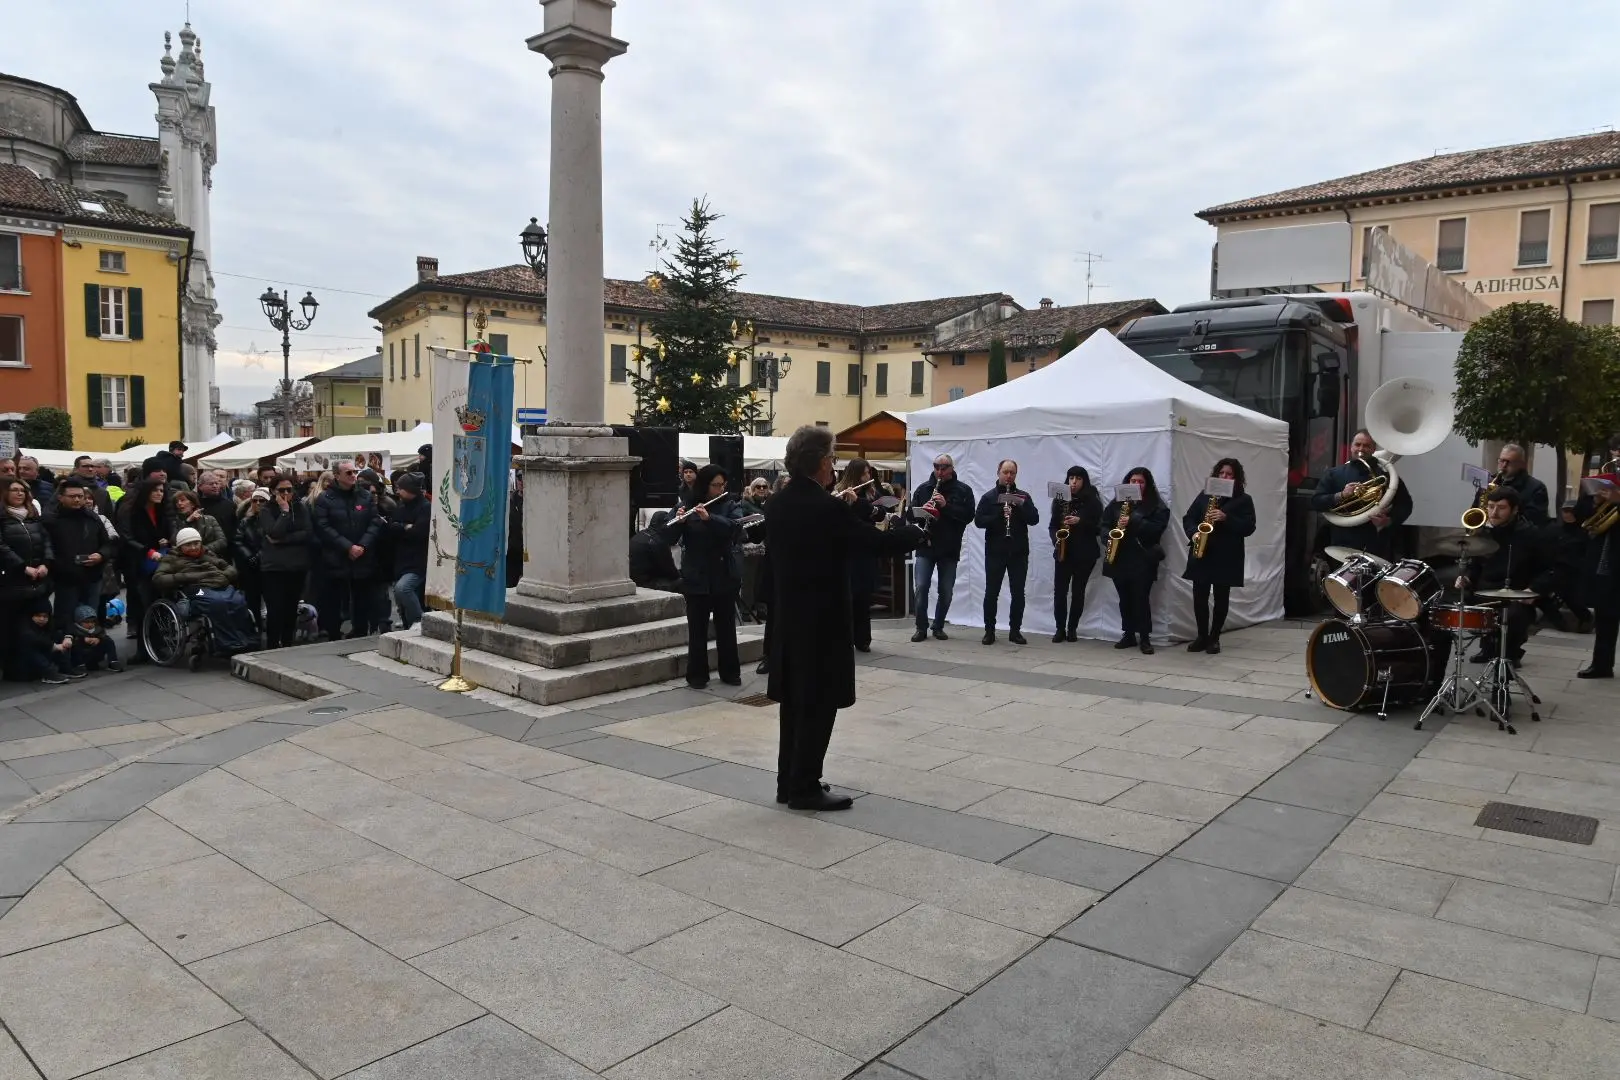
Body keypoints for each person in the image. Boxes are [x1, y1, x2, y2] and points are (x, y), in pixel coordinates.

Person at [765, 425, 923, 809]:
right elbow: (873, 542)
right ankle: (805, 787)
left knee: (794, 705)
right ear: (821, 462)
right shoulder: (826, 507)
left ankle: (789, 781)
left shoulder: (778, 503)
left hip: (789, 618)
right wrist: (913, 533)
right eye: (833, 458)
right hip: (822, 620)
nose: (834, 466)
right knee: (819, 705)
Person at [664, 463, 745, 689]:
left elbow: (735, 529)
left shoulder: (730, 504)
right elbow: (667, 537)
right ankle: (697, 675)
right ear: (704, 485)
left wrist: (710, 519)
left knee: (726, 628)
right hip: (696, 575)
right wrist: (678, 523)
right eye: (715, 485)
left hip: (723, 574)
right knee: (697, 629)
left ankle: (730, 672)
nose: (720, 490)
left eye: (722, 485)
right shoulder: (685, 504)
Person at [1453, 488, 1551, 665]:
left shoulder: (1532, 535)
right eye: (1490, 507)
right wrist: (1466, 577)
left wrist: (1533, 590)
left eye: (1501, 508)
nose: (1493, 513)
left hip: (1518, 594)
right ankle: (1488, 647)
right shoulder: (1485, 533)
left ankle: (1510, 653)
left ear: (1515, 510)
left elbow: (1550, 568)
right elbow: (1476, 564)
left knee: (1513, 615)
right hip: (1486, 591)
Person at [1182, 458, 1258, 654]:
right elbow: (1189, 518)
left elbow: (1249, 527)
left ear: (1236, 478)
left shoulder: (1243, 499)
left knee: (1221, 598)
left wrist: (1227, 518)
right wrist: (1193, 533)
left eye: (1229, 474)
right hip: (1202, 551)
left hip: (1227, 554)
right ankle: (1202, 636)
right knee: (1199, 597)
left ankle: (1214, 637)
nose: (1224, 477)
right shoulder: (1205, 495)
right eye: (1221, 473)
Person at [1310, 429, 1413, 559]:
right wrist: (1341, 495)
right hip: (1341, 542)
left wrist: (1388, 521)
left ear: (1373, 449)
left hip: (1376, 543)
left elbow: (1406, 505)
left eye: (1366, 446)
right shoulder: (1334, 474)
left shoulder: (1386, 477)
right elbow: (1316, 502)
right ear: (1351, 447)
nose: (1361, 449)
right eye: (1357, 444)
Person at [152, 527, 257, 655]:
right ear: (180, 546)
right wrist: (184, 577)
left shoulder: (208, 554)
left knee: (238, 600)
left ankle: (247, 640)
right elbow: (158, 578)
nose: (193, 547)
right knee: (217, 602)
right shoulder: (171, 558)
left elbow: (230, 568)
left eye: (196, 543)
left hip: (219, 585)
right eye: (188, 545)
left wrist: (223, 575)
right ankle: (227, 643)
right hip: (197, 590)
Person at [1101, 467, 1170, 654]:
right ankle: (1129, 634)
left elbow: (1157, 529)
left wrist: (1134, 520)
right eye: (1133, 481)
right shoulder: (1117, 503)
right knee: (1124, 598)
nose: (1136, 484)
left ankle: (1145, 638)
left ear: (1147, 485)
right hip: (1119, 556)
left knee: (1141, 599)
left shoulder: (1156, 505)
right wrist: (1109, 535)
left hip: (1142, 557)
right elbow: (1104, 524)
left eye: (1140, 482)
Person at [312, 460, 383, 640]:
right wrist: (347, 546)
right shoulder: (325, 498)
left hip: (362, 556)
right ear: (337, 476)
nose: (353, 476)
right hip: (336, 556)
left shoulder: (365, 496)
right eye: (348, 473)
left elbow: (374, 522)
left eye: (354, 472)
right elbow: (323, 526)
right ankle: (334, 634)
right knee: (334, 599)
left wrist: (362, 545)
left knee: (362, 598)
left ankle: (360, 632)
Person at [908, 454, 974, 642]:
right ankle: (921, 627)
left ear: (952, 468)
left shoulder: (963, 490)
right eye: (936, 467)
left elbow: (969, 516)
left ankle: (938, 626)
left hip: (949, 548)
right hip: (925, 545)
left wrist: (946, 506)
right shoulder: (924, 489)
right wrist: (923, 511)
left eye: (944, 468)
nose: (940, 471)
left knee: (946, 591)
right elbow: (910, 515)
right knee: (921, 587)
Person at [975, 459, 1039, 645]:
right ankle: (989, 631)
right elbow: (978, 521)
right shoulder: (989, 497)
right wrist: (998, 515)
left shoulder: (1023, 496)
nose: (1009, 476)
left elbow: (1034, 519)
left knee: (1018, 593)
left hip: (1018, 552)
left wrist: (1019, 508)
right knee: (992, 592)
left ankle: (1015, 631)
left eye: (1012, 473)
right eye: (1005, 472)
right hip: (995, 551)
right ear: (998, 473)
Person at [43, 477, 117, 632]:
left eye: (80, 496)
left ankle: (89, 645)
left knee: (90, 620)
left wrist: (101, 555)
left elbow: (107, 544)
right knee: (65, 620)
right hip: (65, 580)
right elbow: (46, 548)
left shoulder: (93, 518)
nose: (77, 500)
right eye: (72, 496)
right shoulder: (51, 520)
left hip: (92, 577)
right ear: (60, 497)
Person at [118, 477, 172, 663]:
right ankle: (143, 649)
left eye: (162, 490)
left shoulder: (162, 511)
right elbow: (127, 538)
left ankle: (159, 644)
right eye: (155, 490)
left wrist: (166, 540)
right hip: (138, 563)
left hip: (159, 562)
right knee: (143, 606)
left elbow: (168, 532)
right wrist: (148, 551)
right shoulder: (131, 511)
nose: (159, 493)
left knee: (159, 603)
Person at [1049, 465, 1103, 643]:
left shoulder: (1092, 501)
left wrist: (1080, 521)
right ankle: (1059, 629)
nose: (1074, 482)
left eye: (1078, 479)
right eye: (1071, 478)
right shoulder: (1060, 499)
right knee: (1059, 592)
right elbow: (1053, 525)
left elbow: (1100, 528)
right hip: (1063, 552)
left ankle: (1072, 629)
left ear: (1084, 481)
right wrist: (1056, 539)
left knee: (1078, 592)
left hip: (1085, 553)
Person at [836, 459, 885, 652]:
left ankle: (863, 639)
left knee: (863, 596)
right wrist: (844, 501)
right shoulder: (840, 491)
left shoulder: (871, 493)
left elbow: (880, 514)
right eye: (865, 473)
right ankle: (845, 637)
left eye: (868, 473)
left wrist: (859, 502)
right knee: (847, 595)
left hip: (865, 548)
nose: (868, 476)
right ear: (855, 474)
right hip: (847, 550)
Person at [259, 473, 312, 649]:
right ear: (273, 491)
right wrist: (284, 511)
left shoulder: (301, 507)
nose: (286, 493)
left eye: (289, 489)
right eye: (281, 490)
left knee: (291, 607)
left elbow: (307, 533)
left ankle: (288, 642)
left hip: (296, 565)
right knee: (275, 609)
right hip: (274, 567)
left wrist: (283, 540)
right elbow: (274, 532)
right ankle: (273, 644)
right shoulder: (266, 510)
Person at [1575, 479, 1620, 678]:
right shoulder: (1607, 481)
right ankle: (1602, 664)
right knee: (1605, 613)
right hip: (1607, 557)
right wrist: (1595, 500)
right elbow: (1579, 514)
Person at [1538, 500, 1591, 633]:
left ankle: (1585, 618)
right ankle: (1561, 623)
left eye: (1571, 511)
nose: (1568, 514)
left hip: (1574, 572)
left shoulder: (1585, 531)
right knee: (1539, 594)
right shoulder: (1554, 529)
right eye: (1565, 511)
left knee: (1570, 596)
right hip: (1553, 569)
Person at [389, 472, 430, 629]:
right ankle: (409, 625)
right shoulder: (401, 506)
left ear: (410, 490)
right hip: (401, 560)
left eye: (401, 488)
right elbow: (392, 527)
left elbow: (419, 532)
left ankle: (419, 621)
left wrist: (402, 528)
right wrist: (406, 527)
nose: (397, 491)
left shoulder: (425, 507)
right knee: (400, 599)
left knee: (403, 589)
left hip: (418, 561)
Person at [1480, 444, 1549, 527]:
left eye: (1509, 462)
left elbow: (1535, 520)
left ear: (1521, 464)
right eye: (1502, 460)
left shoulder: (1537, 487)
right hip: (1484, 531)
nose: (1504, 465)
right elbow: (1476, 506)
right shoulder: (1489, 481)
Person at [17, 596, 73, 685]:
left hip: (42, 658)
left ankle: (65, 669)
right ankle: (49, 673)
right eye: (38, 616)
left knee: (60, 635)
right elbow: (31, 638)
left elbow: (66, 623)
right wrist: (52, 646)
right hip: (23, 667)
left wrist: (68, 637)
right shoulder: (24, 625)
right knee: (29, 646)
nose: (42, 619)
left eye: (45, 616)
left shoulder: (50, 623)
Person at [629, 510, 682, 593]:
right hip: (648, 583)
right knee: (683, 583)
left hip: (634, 579)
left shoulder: (639, 535)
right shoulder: (658, 542)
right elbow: (670, 570)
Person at [170, 488, 227, 558]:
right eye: (176, 502)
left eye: (183, 500)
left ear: (193, 504)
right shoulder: (175, 522)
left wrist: (201, 550)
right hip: (186, 560)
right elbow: (174, 542)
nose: (179, 503)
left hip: (210, 558)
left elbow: (222, 541)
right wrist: (187, 522)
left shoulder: (209, 519)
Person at [68, 604, 121, 673]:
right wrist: (83, 640)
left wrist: (99, 639)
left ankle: (113, 661)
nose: (90, 624)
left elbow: (103, 636)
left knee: (108, 640)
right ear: (79, 621)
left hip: (94, 653)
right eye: (87, 622)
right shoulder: (74, 630)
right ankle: (80, 665)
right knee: (73, 643)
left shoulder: (98, 629)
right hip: (81, 655)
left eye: (92, 622)